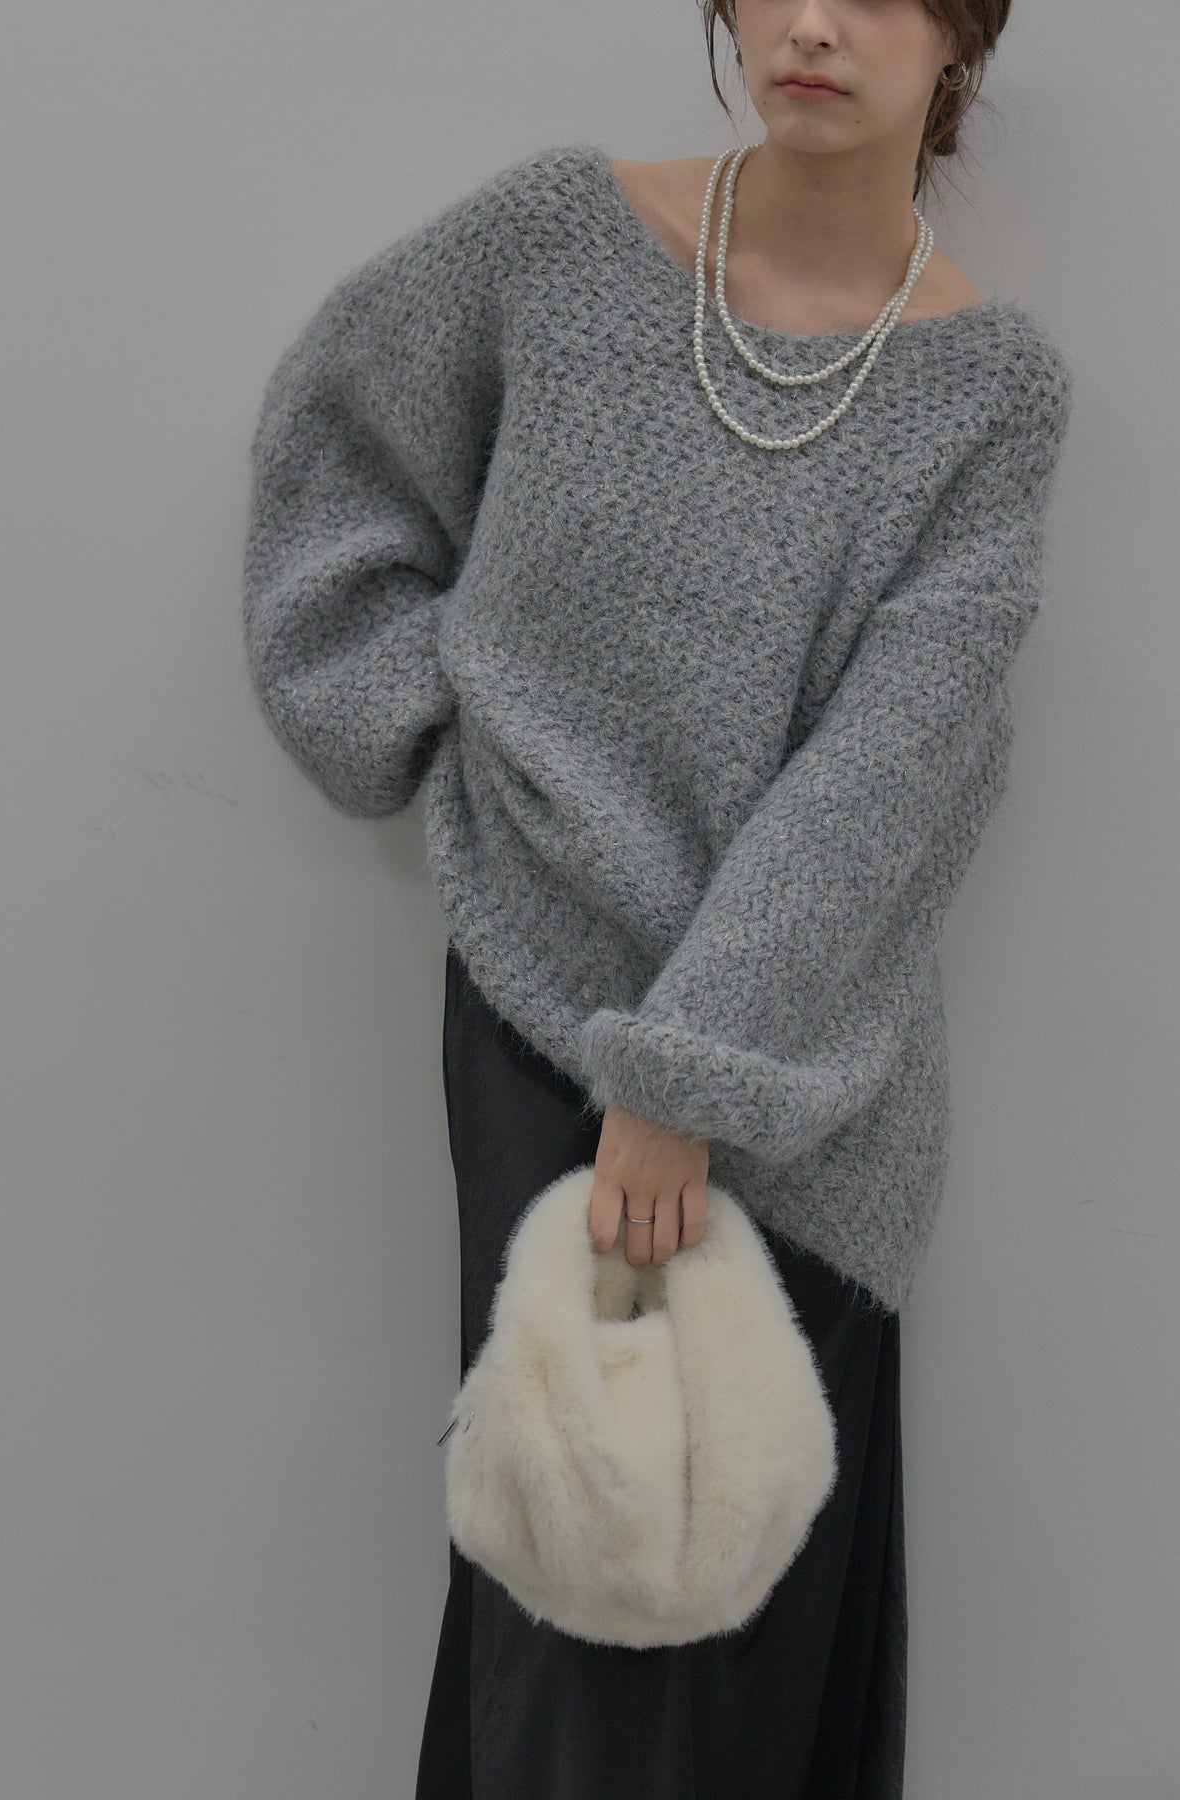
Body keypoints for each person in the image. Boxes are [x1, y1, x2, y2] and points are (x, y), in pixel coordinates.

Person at [239, 0, 1075, 1791]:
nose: (811, 24)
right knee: (574, 1577)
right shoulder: (556, 242)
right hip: (535, 995)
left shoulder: (988, 392)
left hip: (803, 1072)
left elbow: (895, 768)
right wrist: (403, 709)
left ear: (961, 38)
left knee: (741, 1619)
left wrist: (686, 1074)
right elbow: (339, 443)